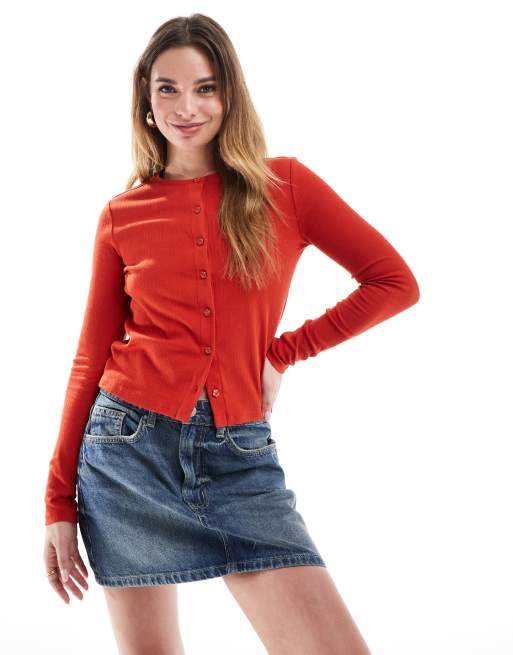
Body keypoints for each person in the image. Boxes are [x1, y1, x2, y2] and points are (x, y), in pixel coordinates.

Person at [43, 13, 419, 655]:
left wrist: (285, 352)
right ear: (146, 99)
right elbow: (89, 359)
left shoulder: (286, 187)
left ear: (229, 95)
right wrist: (57, 502)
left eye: (205, 88)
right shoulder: (122, 216)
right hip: (126, 455)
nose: (186, 107)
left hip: (240, 456)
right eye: (168, 89)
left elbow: (393, 282)